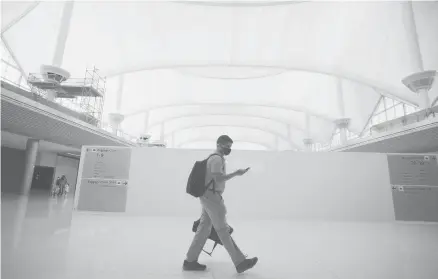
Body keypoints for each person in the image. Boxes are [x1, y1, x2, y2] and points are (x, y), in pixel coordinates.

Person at [183, 135, 258, 274]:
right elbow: (218, 178)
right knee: (223, 230)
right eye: (226, 146)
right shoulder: (216, 158)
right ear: (219, 144)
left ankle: (190, 261)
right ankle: (240, 262)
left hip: (207, 196)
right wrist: (236, 173)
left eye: (230, 146)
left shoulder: (214, 158)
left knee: (204, 229)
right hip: (212, 197)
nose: (228, 149)